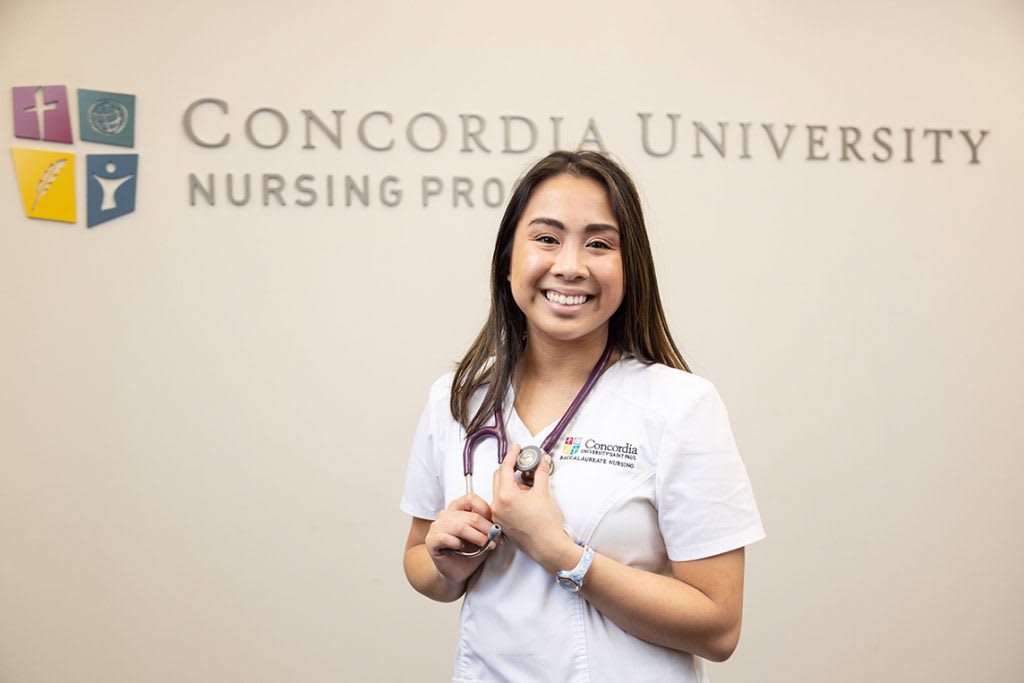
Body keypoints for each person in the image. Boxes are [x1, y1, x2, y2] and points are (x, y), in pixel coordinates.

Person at [401, 150, 765, 682]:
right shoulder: (457, 399)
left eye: (599, 243)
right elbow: (418, 559)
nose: (571, 265)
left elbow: (718, 626)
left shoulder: (681, 406)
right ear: (508, 260)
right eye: (546, 238)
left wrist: (560, 552)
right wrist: (445, 564)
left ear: (628, 267)